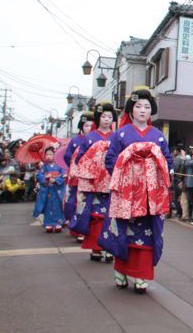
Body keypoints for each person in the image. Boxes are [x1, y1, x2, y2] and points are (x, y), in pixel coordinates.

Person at [100, 88, 173, 294]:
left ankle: (141, 274)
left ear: (152, 112)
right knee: (124, 229)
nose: (142, 110)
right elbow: (111, 159)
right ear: (131, 110)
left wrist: (157, 170)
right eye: (138, 106)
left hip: (151, 194)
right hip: (128, 192)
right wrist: (128, 170)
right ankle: (120, 270)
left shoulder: (158, 136)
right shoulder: (120, 134)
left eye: (147, 107)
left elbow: (167, 161)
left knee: (149, 232)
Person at [71, 102, 117, 262]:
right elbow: (80, 157)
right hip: (93, 184)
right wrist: (96, 154)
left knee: (111, 216)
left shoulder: (116, 136)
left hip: (111, 181)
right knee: (95, 216)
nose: (106, 119)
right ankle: (96, 247)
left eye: (110, 117)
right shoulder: (90, 137)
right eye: (103, 116)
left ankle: (109, 247)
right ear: (98, 117)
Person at [64, 111, 94, 241]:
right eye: (86, 125)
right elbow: (67, 156)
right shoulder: (75, 141)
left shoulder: (95, 139)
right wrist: (74, 167)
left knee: (88, 204)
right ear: (81, 126)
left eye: (91, 125)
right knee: (75, 203)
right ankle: (76, 229)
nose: (89, 128)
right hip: (76, 177)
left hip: (91, 178)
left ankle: (87, 230)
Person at [33, 147, 66, 232]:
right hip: (48, 190)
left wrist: (55, 180)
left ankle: (59, 223)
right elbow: (39, 176)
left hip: (57, 189)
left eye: (51, 154)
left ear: (55, 155)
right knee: (48, 206)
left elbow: (63, 175)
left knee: (58, 205)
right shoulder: (44, 167)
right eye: (47, 154)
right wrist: (45, 177)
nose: (48, 156)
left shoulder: (59, 165)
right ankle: (48, 224)